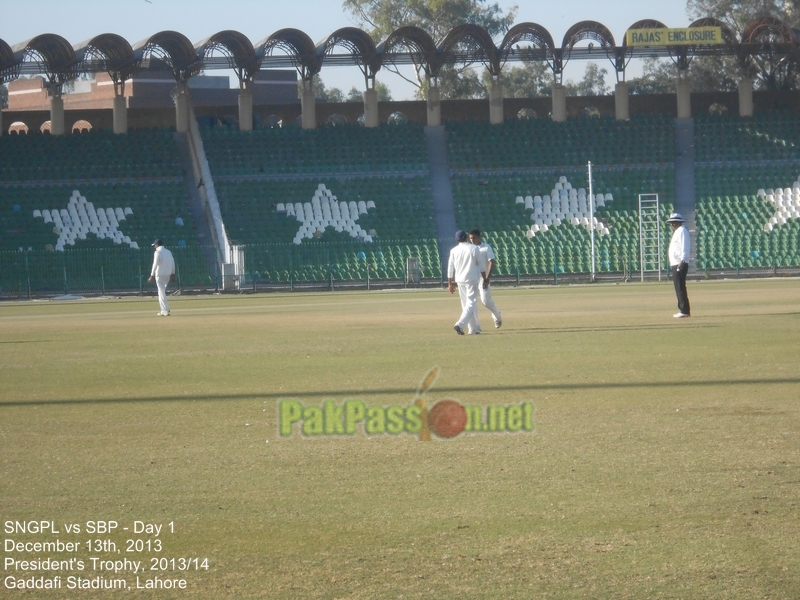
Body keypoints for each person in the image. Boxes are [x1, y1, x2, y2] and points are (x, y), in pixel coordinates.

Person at [447, 230, 483, 335]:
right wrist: (485, 278)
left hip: (460, 280)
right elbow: (481, 264)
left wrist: (450, 283)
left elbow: (450, 267)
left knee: (466, 305)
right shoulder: (474, 248)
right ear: (466, 237)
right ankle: (460, 324)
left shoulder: (454, 250)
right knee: (471, 304)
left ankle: (473, 329)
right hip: (471, 279)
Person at [469, 229, 502, 329]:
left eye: (474, 238)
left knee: (485, 301)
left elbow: (492, 262)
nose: (472, 240)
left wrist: (487, 279)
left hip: (483, 278)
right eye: (470, 238)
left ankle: (497, 315)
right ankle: (475, 326)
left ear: (479, 237)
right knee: (471, 304)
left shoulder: (486, 248)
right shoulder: (469, 248)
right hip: (472, 279)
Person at [667, 213, 691, 318]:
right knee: (678, 286)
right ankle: (683, 309)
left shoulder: (682, 231)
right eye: (671, 222)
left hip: (679, 263)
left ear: (678, 222)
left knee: (680, 286)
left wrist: (682, 261)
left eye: (674, 222)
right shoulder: (678, 231)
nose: (672, 224)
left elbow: (685, 247)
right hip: (676, 262)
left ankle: (684, 310)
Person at [147, 238, 175, 316]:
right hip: (168, 274)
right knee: (162, 293)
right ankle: (165, 309)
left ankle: (164, 310)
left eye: (154, 245)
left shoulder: (157, 252)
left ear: (156, 245)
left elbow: (155, 264)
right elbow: (173, 263)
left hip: (160, 275)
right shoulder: (168, 252)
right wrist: (173, 273)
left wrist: (151, 275)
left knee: (161, 293)